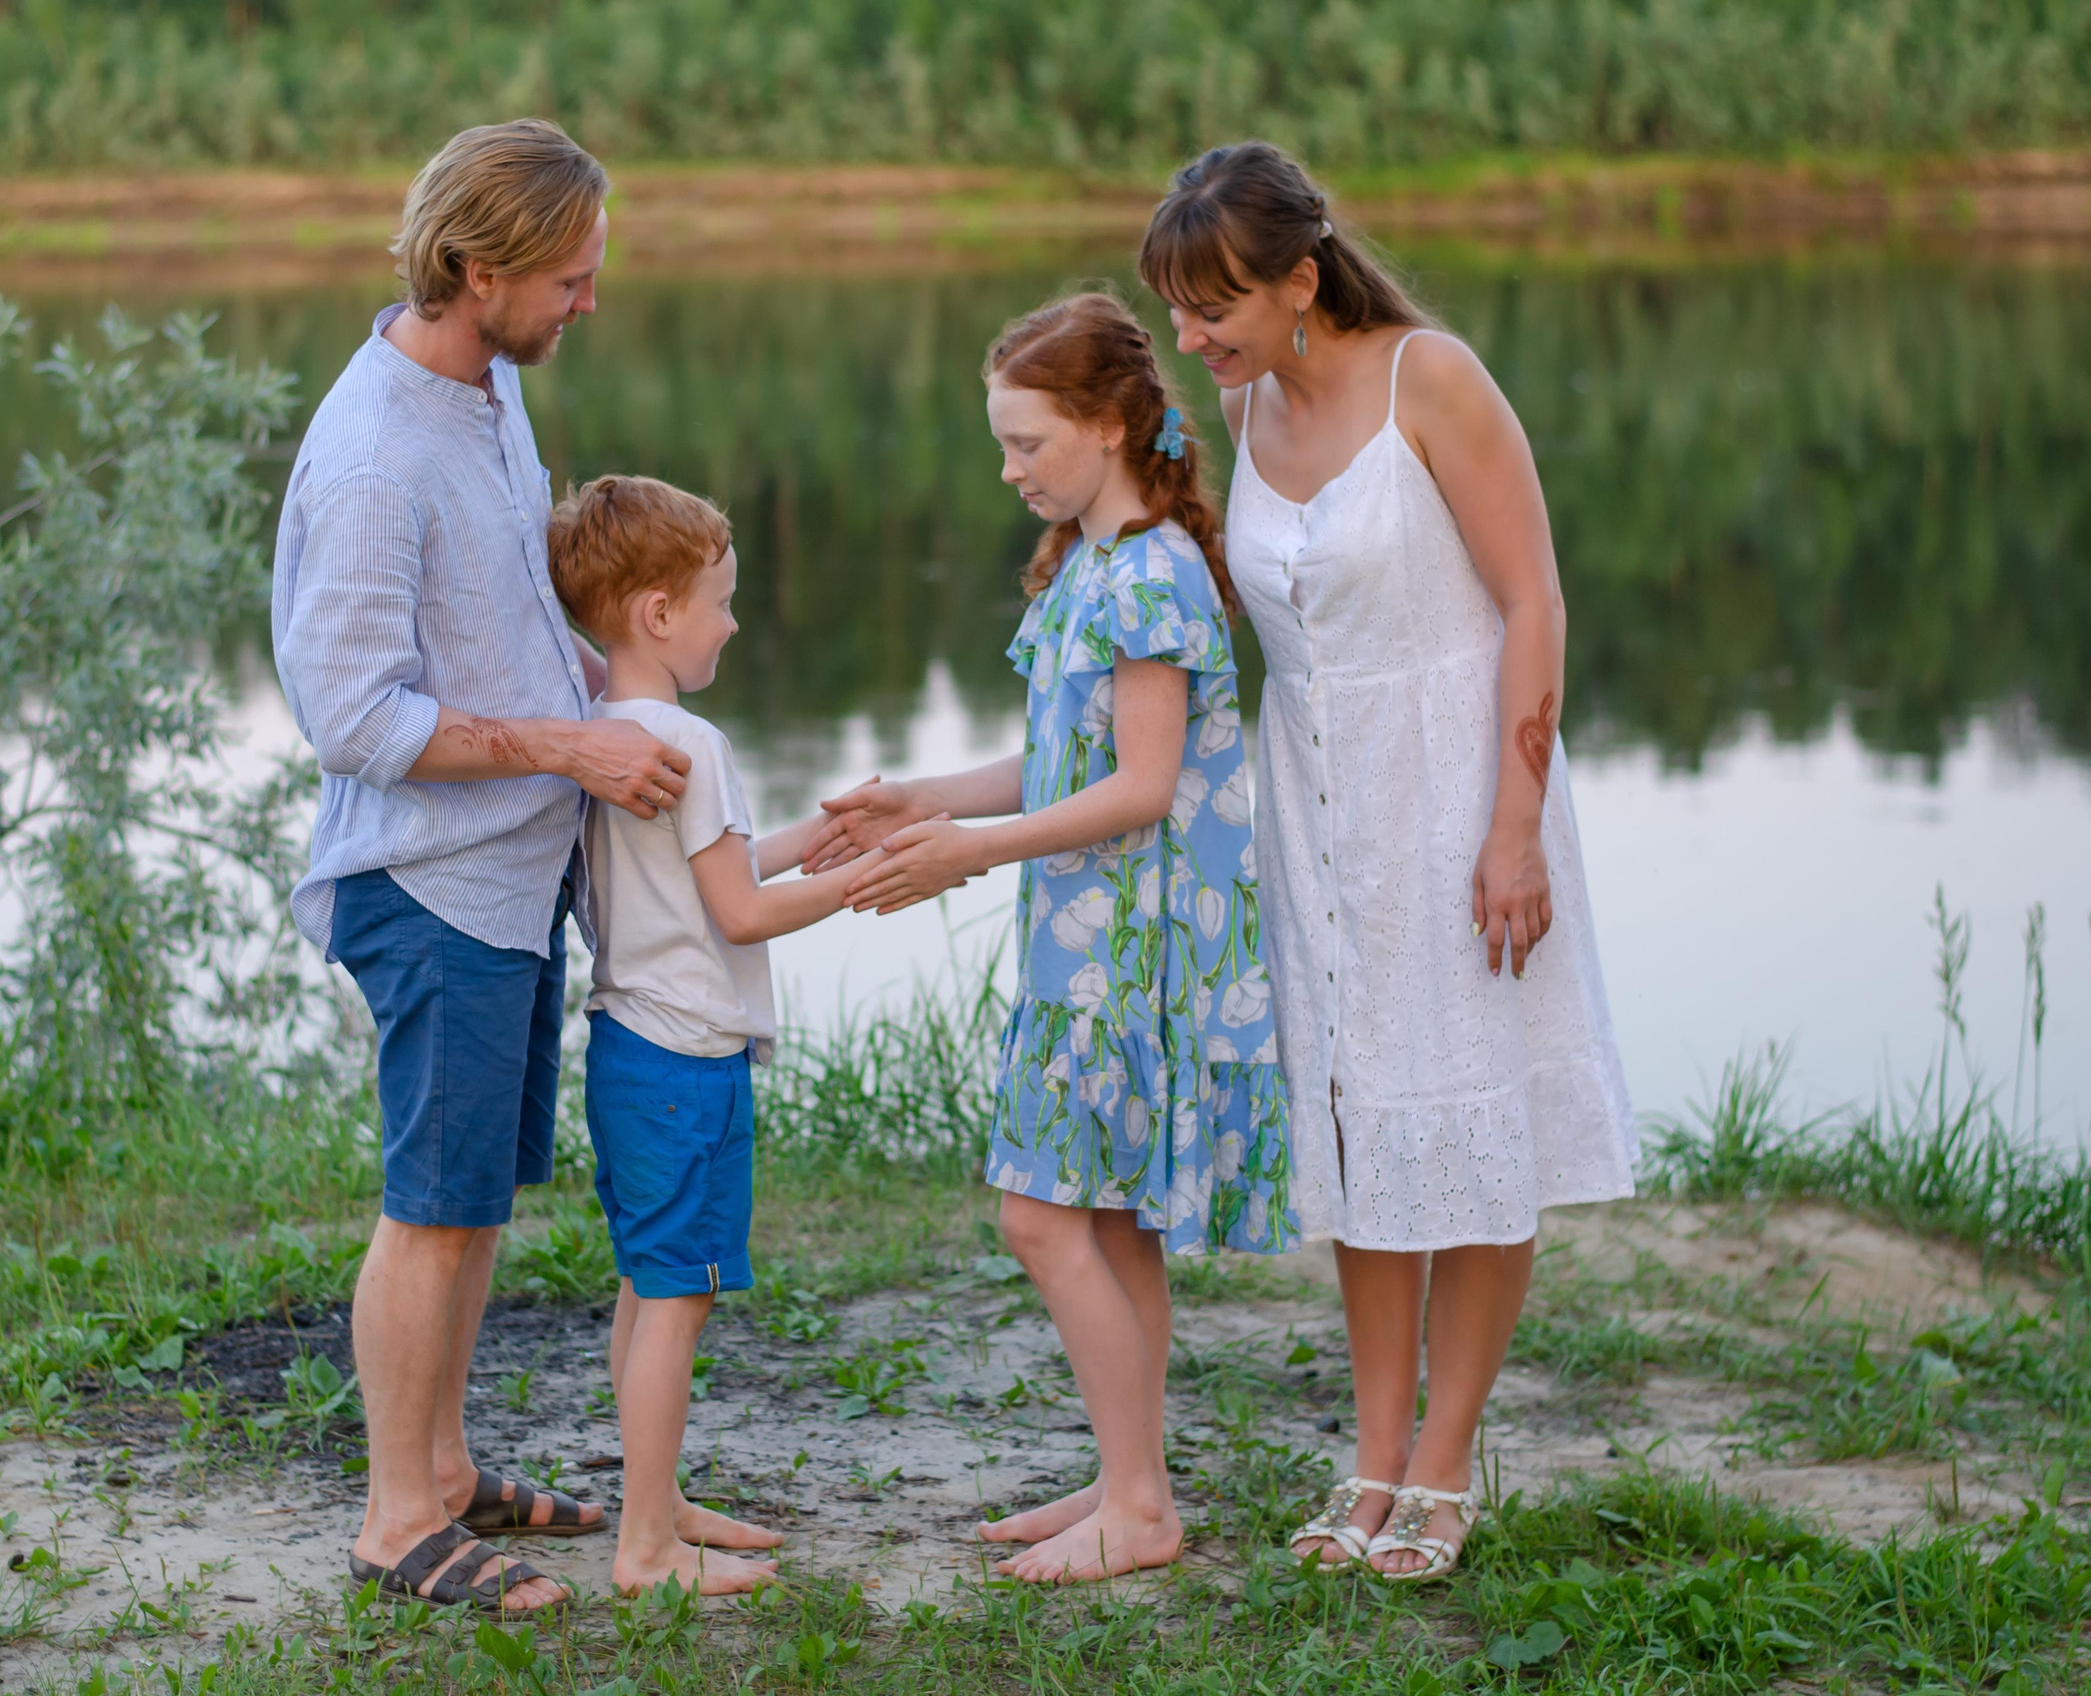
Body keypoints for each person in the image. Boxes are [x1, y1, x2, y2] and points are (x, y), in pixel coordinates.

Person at [1141, 141, 1637, 1581]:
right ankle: (1369, 1454)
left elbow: (1533, 601)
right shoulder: (1241, 399)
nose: (1193, 335)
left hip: (1459, 797)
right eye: (1176, 307)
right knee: (1359, 1127)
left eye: (1213, 304)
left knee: (1471, 1125)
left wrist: (1513, 828)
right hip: (1316, 815)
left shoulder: (1434, 378)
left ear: (1302, 277)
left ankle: (1445, 1457)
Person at [271, 119, 698, 1615]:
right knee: (430, 1207)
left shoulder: (489, 387)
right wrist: (568, 749)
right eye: (568, 280)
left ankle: (447, 1470)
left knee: (475, 1200)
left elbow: (509, 609)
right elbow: (356, 719)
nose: (588, 303)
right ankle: (397, 1523)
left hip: (511, 881)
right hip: (432, 886)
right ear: (474, 268)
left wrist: (616, 685)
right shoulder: (379, 458)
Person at [805, 292, 1292, 1585]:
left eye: (1028, 443)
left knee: (1040, 1218)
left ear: (1113, 422)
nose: (1011, 471)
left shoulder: (1156, 575)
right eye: (1004, 446)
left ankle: (1139, 1506)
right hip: (1092, 946)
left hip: (1139, 959)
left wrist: (966, 857)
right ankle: (1128, 1477)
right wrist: (928, 800)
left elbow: (1140, 788)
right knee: (1108, 1221)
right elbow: (1063, 759)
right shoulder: (1094, 564)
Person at [548, 474, 881, 1596]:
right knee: (675, 1299)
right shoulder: (691, 737)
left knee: (648, 1287)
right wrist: (862, 883)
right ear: (658, 612)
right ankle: (645, 1548)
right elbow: (736, 912)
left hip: (629, 1044)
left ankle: (657, 1499)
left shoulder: (598, 734)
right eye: (721, 602)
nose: (733, 622)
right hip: (689, 1060)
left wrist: (816, 843)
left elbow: (708, 879)